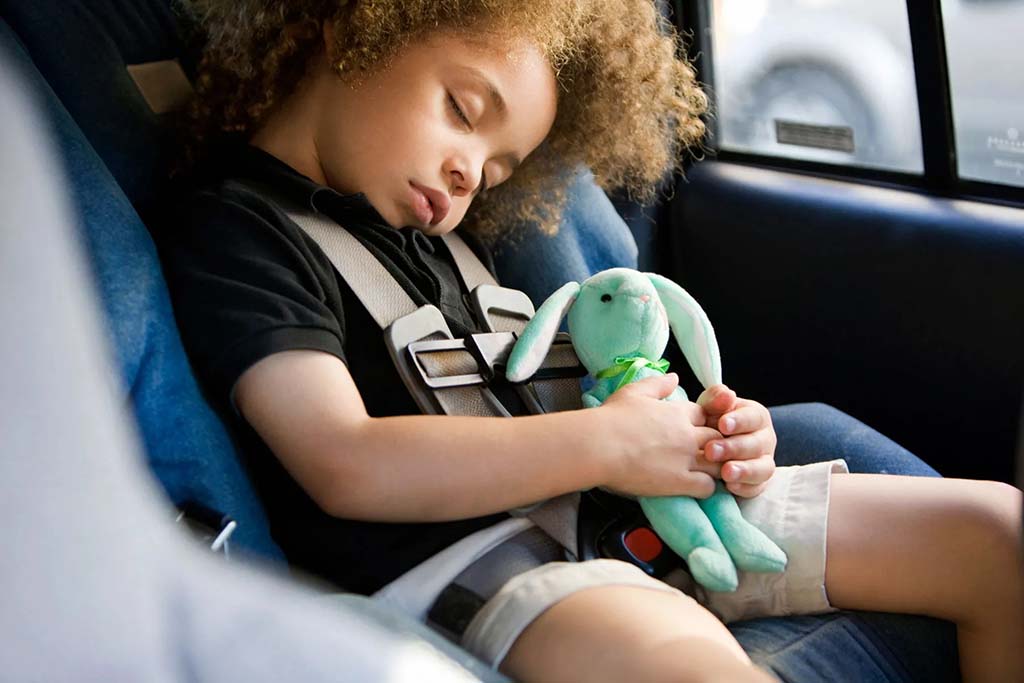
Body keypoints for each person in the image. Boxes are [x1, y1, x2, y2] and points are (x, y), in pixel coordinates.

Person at [158, 1, 1024, 681]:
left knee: (997, 534)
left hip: (639, 513)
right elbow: (343, 461)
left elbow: (592, 393)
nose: (469, 176)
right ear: (357, 23)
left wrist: (707, 442)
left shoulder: (443, 240)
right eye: (463, 110)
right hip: (491, 565)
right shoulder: (241, 232)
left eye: (497, 170)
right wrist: (607, 442)